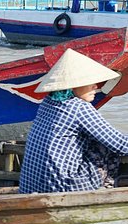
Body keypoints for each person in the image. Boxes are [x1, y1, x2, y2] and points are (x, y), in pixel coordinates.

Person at [19, 49, 128, 194]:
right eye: (90, 81)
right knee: (106, 147)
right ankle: (105, 190)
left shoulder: (47, 102)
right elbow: (120, 144)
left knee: (95, 138)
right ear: (73, 85)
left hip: (31, 188)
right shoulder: (78, 107)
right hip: (63, 188)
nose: (96, 86)